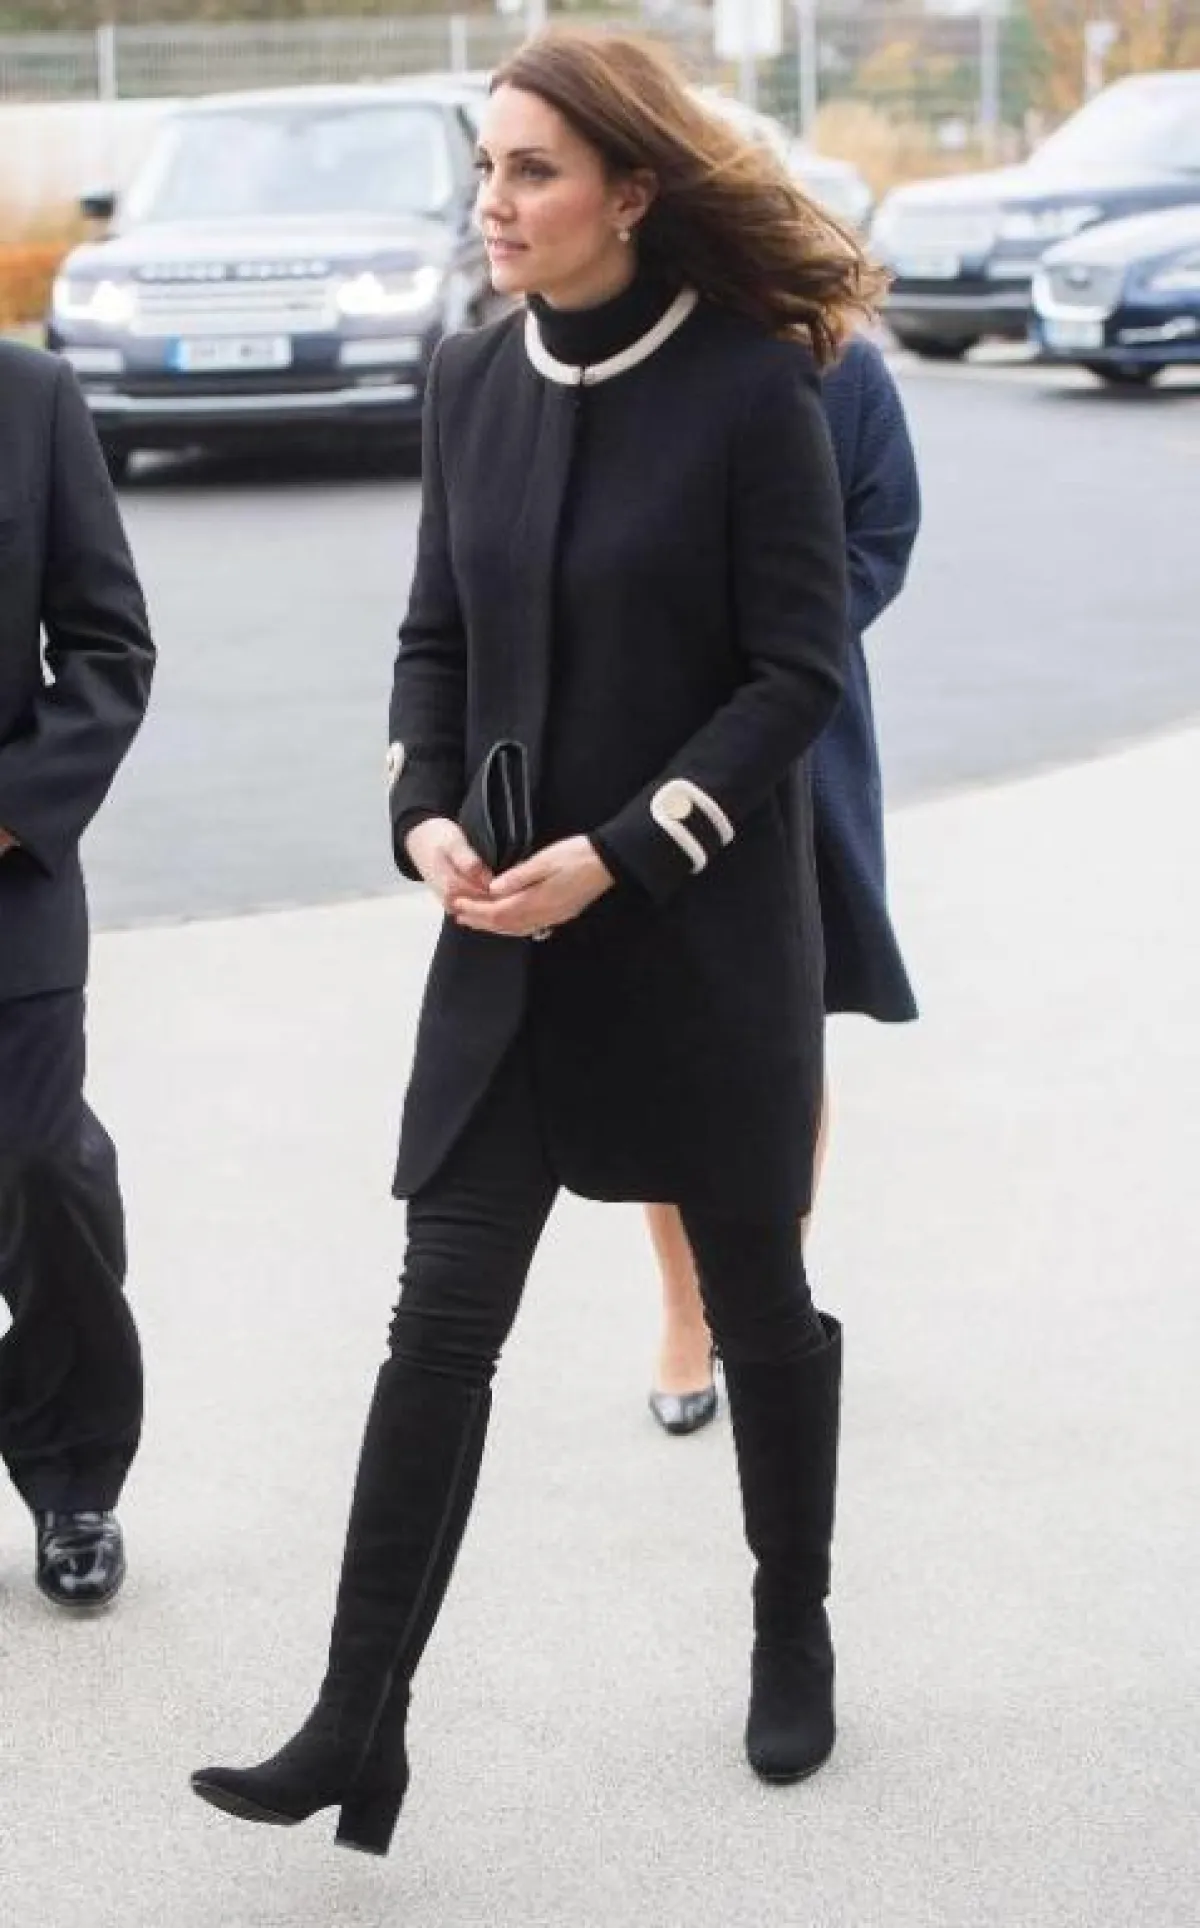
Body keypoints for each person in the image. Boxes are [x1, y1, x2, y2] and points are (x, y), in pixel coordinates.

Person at [191, 27, 885, 1852]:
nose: (491, 203)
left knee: (757, 1302)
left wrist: (630, 851)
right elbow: (434, 636)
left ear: (629, 193)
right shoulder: (469, 378)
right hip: (506, 939)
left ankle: (792, 1619)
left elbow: (797, 672)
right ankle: (358, 1719)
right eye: (485, 167)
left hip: (701, 940)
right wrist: (422, 804)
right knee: (440, 1315)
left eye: (531, 172)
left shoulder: (752, 386)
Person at [647, 332, 921, 1435]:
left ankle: (763, 1298)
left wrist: (776, 635)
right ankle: (684, 1312)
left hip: (800, 739)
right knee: (665, 1045)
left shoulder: (842, 366)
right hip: (646, 734)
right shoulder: (637, 347)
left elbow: (882, 537)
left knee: (781, 1039)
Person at [0, 341, 155, 1609]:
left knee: (44, 1162)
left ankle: (74, 1478)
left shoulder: (31, 398)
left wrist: (10, 811)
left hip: (9, 873)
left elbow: (108, 646)